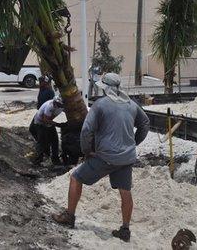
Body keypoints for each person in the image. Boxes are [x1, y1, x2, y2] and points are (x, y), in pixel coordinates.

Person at [52, 73, 149, 243]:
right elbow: (145, 123)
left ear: (104, 88)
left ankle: (70, 216)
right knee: (125, 191)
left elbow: (86, 130)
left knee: (75, 178)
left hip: (105, 156)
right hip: (126, 158)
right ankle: (125, 229)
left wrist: (87, 151)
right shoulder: (131, 104)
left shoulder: (100, 105)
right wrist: (133, 143)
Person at [31, 96, 64, 165]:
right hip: (40, 123)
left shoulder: (62, 106)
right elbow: (45, 119)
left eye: (59, 105)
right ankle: (38, 160)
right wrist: (57, 124)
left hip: (49, 123)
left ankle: (55, 159)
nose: (57, 106)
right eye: (56, 104)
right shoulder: (50, 106)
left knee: (55, 141)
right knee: (42, 142)